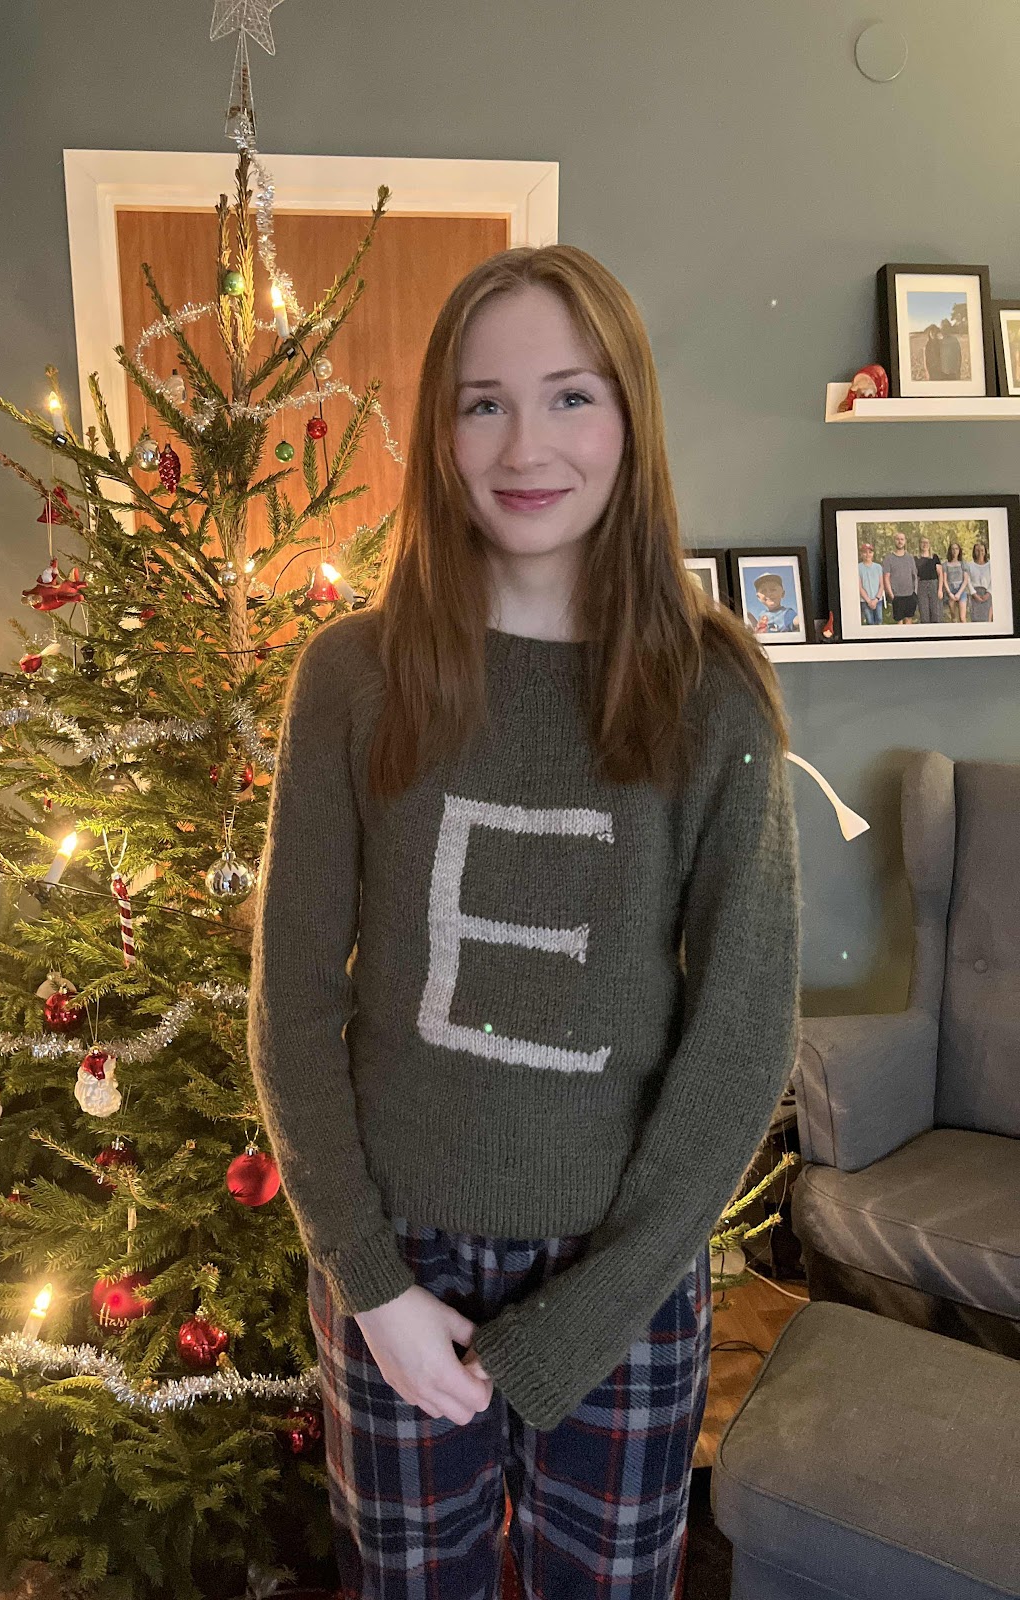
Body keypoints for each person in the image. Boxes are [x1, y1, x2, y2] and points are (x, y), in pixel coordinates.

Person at [248, 244, 802, 1600]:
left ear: (630, 418)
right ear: (439, 433)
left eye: (570, 396)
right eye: (481, 403)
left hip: (626, 1274)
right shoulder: (353, 679)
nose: (524, 446)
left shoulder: (713, 696)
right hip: (393, 1263)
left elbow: (741, 1038)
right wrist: (368, 1281)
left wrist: (590, 1316)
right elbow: (292, 1005)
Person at [881, 529, 919, 624]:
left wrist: (915, 592)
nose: (900, 541)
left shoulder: (910, 558)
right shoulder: (889, 558)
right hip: (897, 596)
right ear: (894, 541)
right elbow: (886, 578)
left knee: (909, 620)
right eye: (897, 539)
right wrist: (891, 595)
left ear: (905, 541)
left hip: (910, 595)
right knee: (899, 622)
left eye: (902, 539)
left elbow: (914, 575)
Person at [942, 539, 971, 622]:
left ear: (959, 550)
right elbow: (944, 580)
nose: (954, 551)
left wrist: (959, 593)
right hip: (950, 590)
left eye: (956, 549)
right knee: (953, 617)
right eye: (952, 549)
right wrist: (950, 593)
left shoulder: (963, 564)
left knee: (962, 618)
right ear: (950, 551)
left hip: (961, 590)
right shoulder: (945, 565)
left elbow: (965, 580)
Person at [915, 536, 942, 624]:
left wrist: (940, 590)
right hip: (921, 586)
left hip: (934, 585)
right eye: (923, 542)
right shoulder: (916, 559)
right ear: (919, 544)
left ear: (929, 544)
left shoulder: (934, 557)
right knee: (924, 614)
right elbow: (915, 576)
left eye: (926, 542)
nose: (925, 544)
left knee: (936, 613)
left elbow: (940, 574)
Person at [857, 540, 885, 625]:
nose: (867, 554)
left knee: (879, 620)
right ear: (861, 554)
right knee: (869, 621)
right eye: (865, 552)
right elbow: (860, 586)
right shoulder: (858, 567)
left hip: (877, 600)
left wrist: (876, 599)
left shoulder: (878, 567)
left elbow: (881, 585)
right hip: (865, 600)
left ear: (873, 554)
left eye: (870, 552)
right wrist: (869, 601)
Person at [967, 538, 993, 622]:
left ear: (985, 551)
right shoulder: (970, 565)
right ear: (974, 552)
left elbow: (993, 579)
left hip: (987, 594)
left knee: (987, 619)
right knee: (975, 619)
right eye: (977, 550)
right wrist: (974, 594)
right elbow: (968, 581)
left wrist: (988, 593)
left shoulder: (990, 564)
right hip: (974, 595)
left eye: (982, 550)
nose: (980, 553)